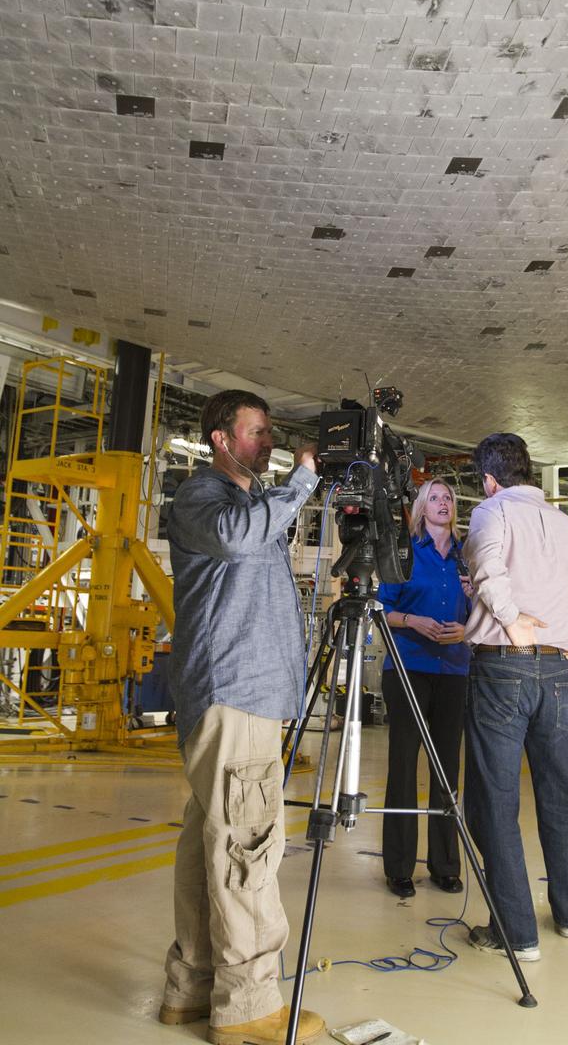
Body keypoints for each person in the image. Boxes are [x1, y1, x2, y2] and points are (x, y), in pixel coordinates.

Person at [159, 389, 324, 1045]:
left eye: (270, 434)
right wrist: (304, 479)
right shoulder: (203, 498)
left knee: (212, 843)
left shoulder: (250, 504)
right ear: (221, 440)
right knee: (248, 845)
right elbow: (236, 539)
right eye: (257, 432)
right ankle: (249, 1007)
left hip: (240, 694)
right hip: (236, 693)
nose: (269, 443)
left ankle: (191, 990)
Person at [462, 433, 568, 962]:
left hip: (506, 669)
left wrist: (510, 619)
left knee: (496, 800)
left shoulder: (491, 512)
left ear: (490, 479)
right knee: (561, 794)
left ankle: (515, 932)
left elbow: (489, 571)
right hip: (561, 668)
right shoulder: (564, 524)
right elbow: (558, 588)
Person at [377, 479, 471, 898]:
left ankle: (445, 865)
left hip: (453, 670)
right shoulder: (406, 553)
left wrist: (466, 628)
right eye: (434, 497)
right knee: (402, 766)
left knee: (447, 769)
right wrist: (413, 621)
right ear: (420, 509)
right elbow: (382, 607)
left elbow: (483, 614)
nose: (443, 502)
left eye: (448, 497)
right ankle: (398, 866)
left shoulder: (466, 560)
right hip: (408, 667)